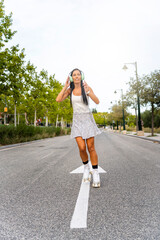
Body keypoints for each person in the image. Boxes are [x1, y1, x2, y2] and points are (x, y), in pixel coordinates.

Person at [56, 68, 102, 187]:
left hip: (87, 119)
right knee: (82, 148)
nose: (76, 76)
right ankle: (86, 167)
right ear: (71, 77)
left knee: (91, 147)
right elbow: (58, 99)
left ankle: (95, 172)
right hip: (77, 120)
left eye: (78, 74)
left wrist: (89, 92)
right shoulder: (70, 90)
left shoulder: (86, 87)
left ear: (81, 76)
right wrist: (65, 86)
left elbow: (97, 101)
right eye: (74, 75)